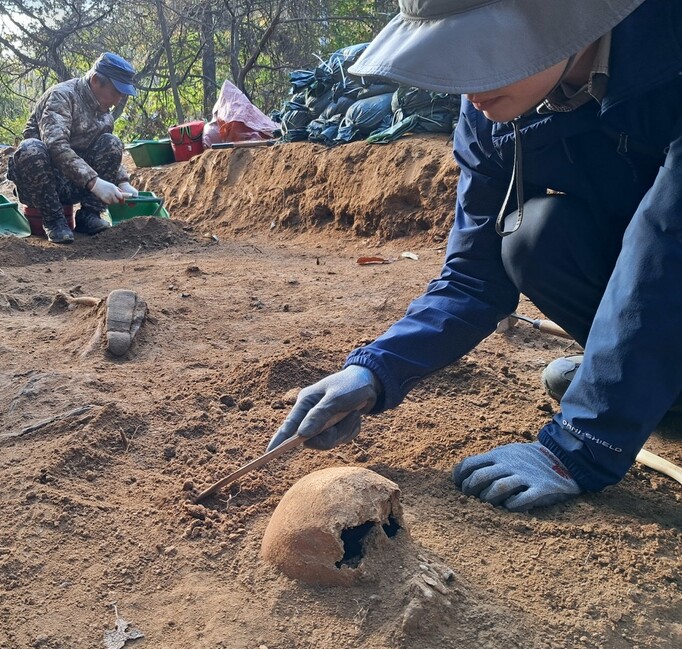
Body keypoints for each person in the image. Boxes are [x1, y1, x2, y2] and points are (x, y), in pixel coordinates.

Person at [267, 0, 682, 512]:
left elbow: (666, 248)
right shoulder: (491, 111)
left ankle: (633, 391)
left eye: (483, 48)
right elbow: (474, 274)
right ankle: (653, 390)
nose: (466, 84)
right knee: (534, 235)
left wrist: (579, 445)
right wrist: (376, 370)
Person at [7, 52, 140, 244]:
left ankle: (89, 216)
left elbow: (102, 149)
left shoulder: (104, 114)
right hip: (41, 185)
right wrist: (95, 183)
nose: (118, 100)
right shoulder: (61, 96)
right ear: (95, 80)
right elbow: (55, 146)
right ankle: (53, 221)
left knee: (112, 142)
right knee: (31, 149)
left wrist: (123, 181)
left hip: (75, 184)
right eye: (115, 92)